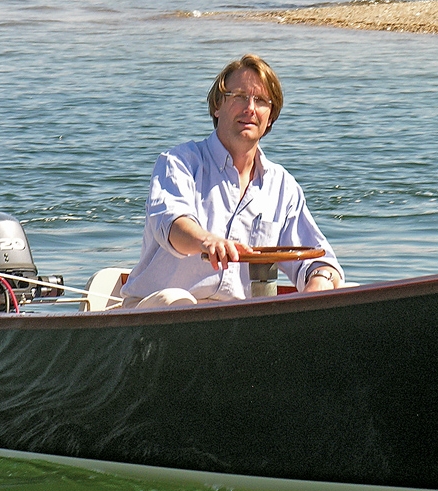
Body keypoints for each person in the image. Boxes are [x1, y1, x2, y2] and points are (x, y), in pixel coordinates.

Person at [120, 54, 343, 308]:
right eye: (239, 97)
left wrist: (320, 280)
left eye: (260, 101)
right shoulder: (179, 163)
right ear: (217, 105)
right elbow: (172, 224)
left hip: (236, 322)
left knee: (341, 292)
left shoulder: (282, 186)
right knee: (178, 300)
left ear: (270, 117)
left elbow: (321, 260)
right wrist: (207, 241)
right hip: (159, 311)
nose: (250, 108)